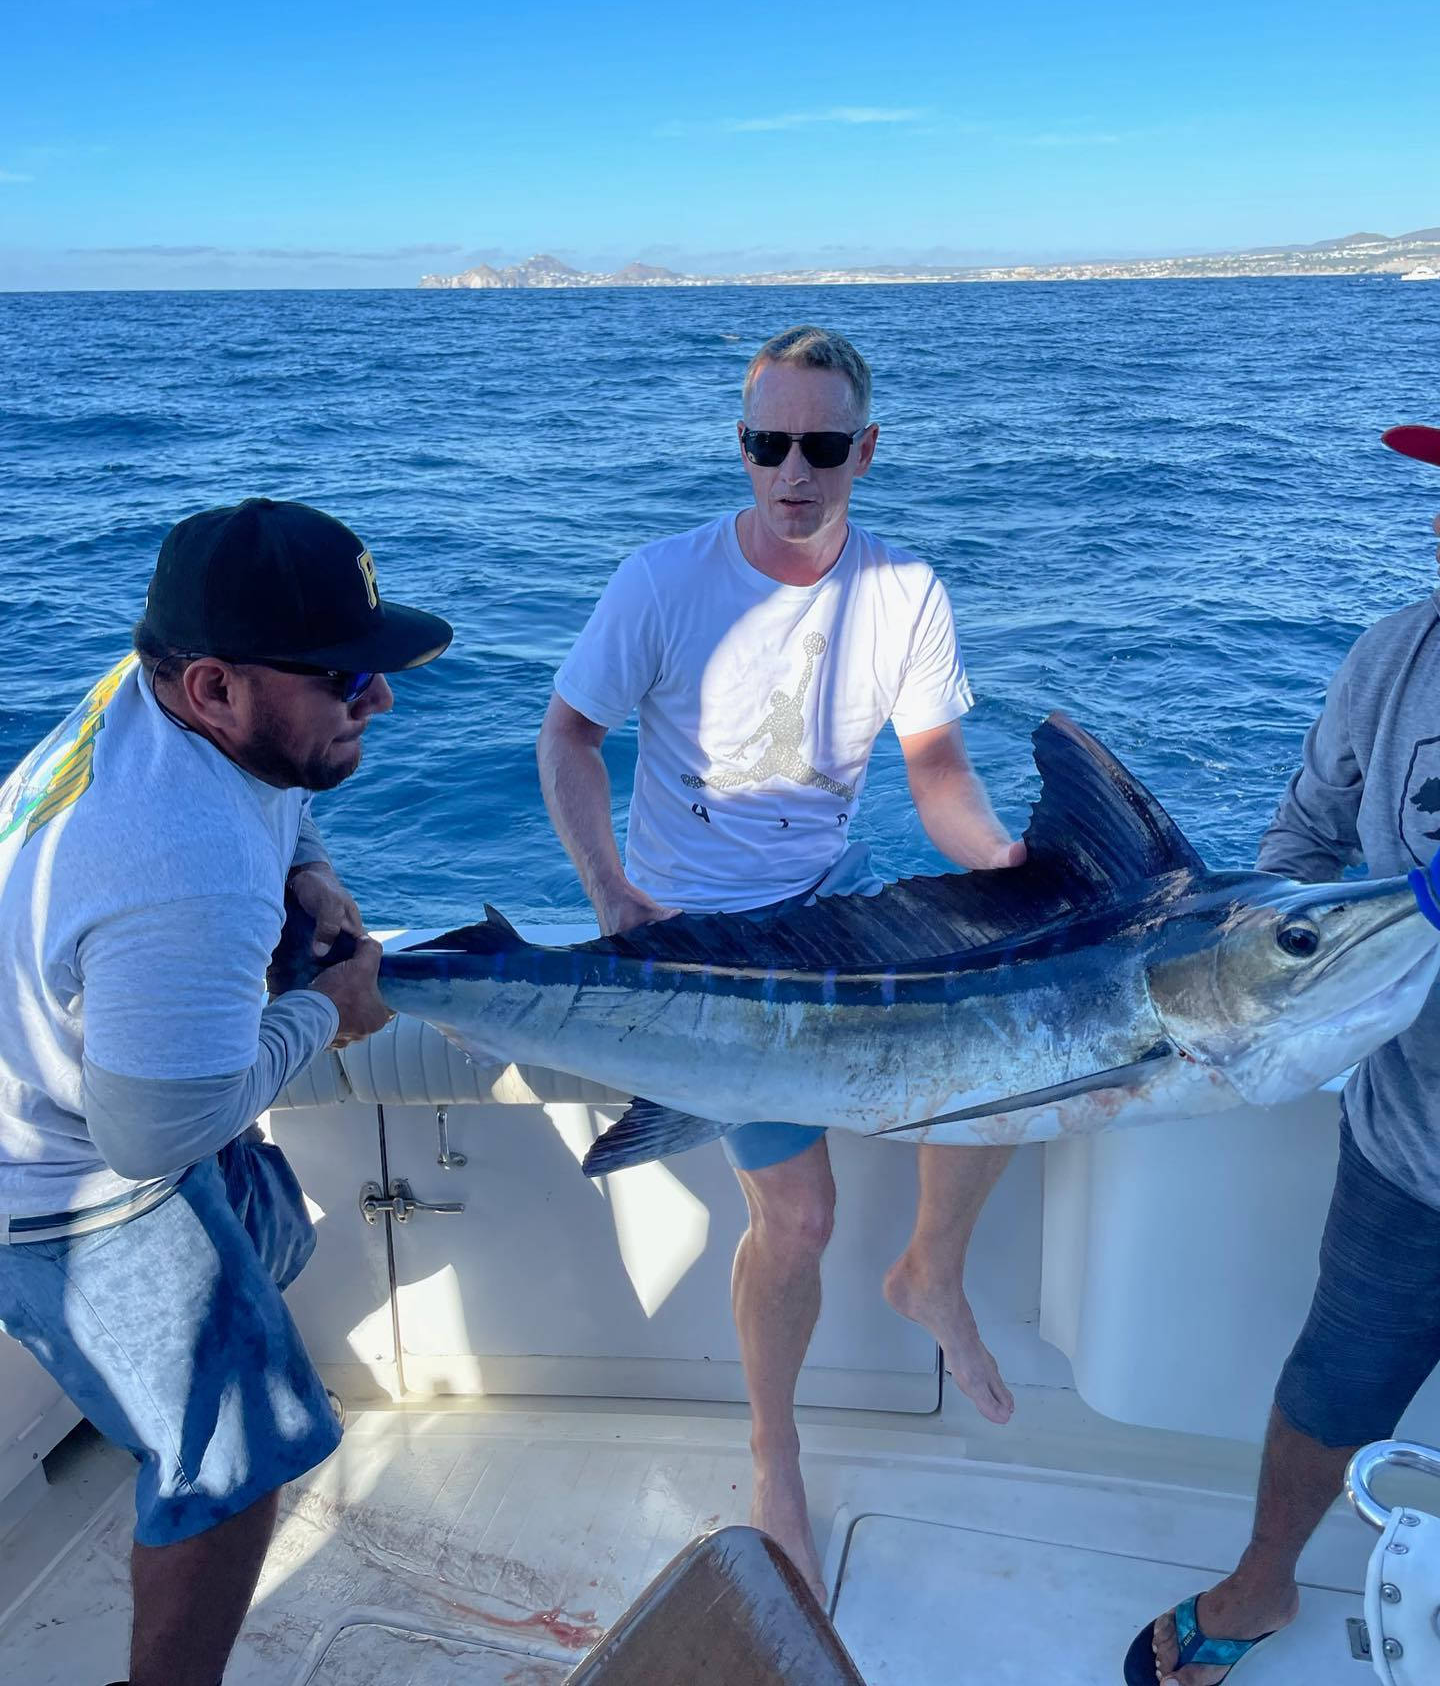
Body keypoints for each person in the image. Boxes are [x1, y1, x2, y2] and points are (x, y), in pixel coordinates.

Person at [537, 325, 1025, 1598]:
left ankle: (932, 1273)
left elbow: (935, 776)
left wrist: (1009, 872)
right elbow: (569, 737)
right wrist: (611, 894)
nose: (792, 472)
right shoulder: (662, 579)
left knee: (1020, 1042)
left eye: (819, 446)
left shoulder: (906, 588)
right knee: (799, 1219)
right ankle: (774, 1457)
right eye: (768, 444)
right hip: (695, 938)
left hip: (831, 903)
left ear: (865, 449)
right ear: (742, 447)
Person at [0, 497, 452, 1686]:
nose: (381, 701)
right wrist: (331, 1011)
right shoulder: (181, 865)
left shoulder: (158, 688)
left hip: (68, 1067)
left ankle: (149, 1400)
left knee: (269, 1241)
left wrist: (312, 873)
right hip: (64, 1179)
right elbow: (153, 1136)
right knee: (239, 1465)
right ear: (211, 687)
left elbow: (280, 793)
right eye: (349, 681)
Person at [1127, 427, 1440, 1686]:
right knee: (1331, 1381)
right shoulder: (1398, 653)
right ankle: (1261, 1589)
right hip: (1405, 1141)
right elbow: (1306, 837)